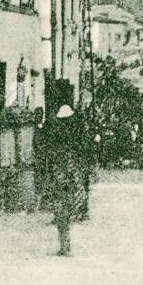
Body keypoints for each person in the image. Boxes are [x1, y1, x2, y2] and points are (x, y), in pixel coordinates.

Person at [46, 105, 84, 255]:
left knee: (61, 213)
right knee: (65, 213)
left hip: (62, 176)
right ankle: (66, 246)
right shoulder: (75, 134)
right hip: (71, 176)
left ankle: (65, 247)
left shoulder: (57, 135)